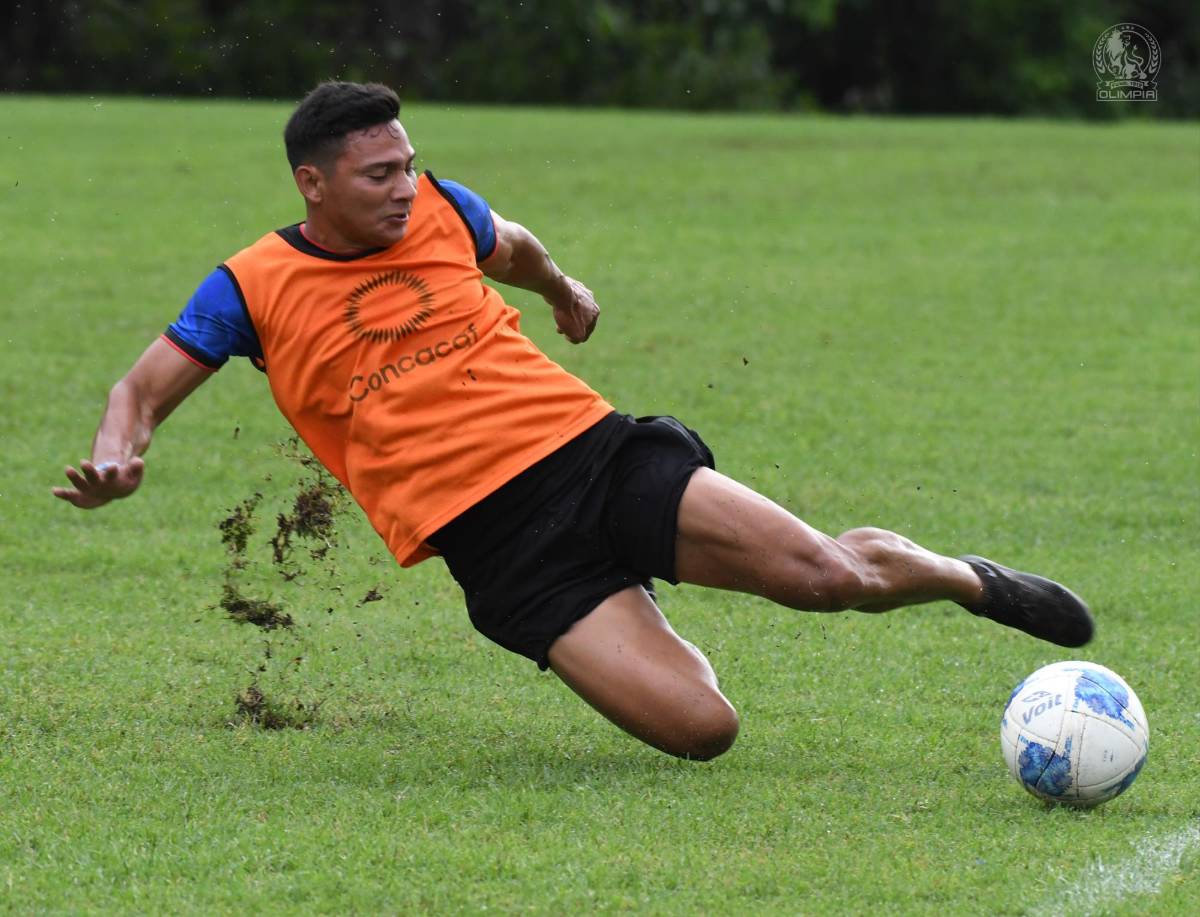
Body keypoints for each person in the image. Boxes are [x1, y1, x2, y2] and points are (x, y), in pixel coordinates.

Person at [53, 81, 1093, 761]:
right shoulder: (251, 284)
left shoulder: (442, 208)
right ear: (311, 183)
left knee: (828, 579)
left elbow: (515, 243)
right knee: (704, 730)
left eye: (409, 164)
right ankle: (631, 591)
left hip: (592, 457)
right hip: (501, 550)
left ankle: (965, 577)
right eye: (378, 175)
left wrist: (564, 290)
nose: (404, 188)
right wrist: (116, 459)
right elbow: (140, 390)